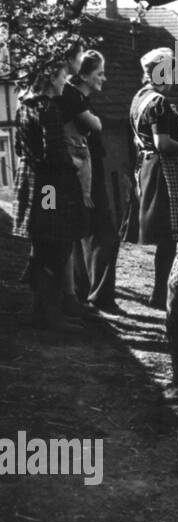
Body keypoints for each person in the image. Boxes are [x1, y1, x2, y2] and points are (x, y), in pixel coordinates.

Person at [15, 45, 91, 332]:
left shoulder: (25, 106)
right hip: (51, 189)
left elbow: (22, 148)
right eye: (61, 77)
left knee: (43, 244)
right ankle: (50, 314)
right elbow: (54, 154)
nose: (64, 81)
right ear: (49, 79)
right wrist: (74, 160)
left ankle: (42, 310)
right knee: (55, 244)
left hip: (33, 184)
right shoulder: (48, 109)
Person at [126, 46, 178, 309]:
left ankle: (160, 293)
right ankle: (162, 295)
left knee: (167, 240)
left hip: (147, 166)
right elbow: (163, 143)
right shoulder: (157, 102)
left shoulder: (139, 98)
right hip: (164, 170)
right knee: (171, 237)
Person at [64, 49, 122, 315]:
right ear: (85, 75)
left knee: (86, 232)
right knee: (105, 233)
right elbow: (95, 126)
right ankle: (99, 296)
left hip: (85, 171)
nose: (104, 78)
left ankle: (86, 291)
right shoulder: (76, 100)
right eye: (99, 73)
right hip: (86, 173)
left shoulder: (75, 97)